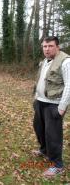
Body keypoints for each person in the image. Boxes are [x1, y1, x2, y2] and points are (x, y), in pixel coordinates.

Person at [33, 36, 70, 178]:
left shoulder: (66, 61)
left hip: (54, 104)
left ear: (57, 47)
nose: (47, 49)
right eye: (44, 46)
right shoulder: (44, 62)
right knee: (39, 128)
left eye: (50, 46)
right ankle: (44, 151)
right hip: (40, 101)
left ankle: (57, 165)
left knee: (53, 135)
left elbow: (69, 85)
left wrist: (62, 106)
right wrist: (36, 99)